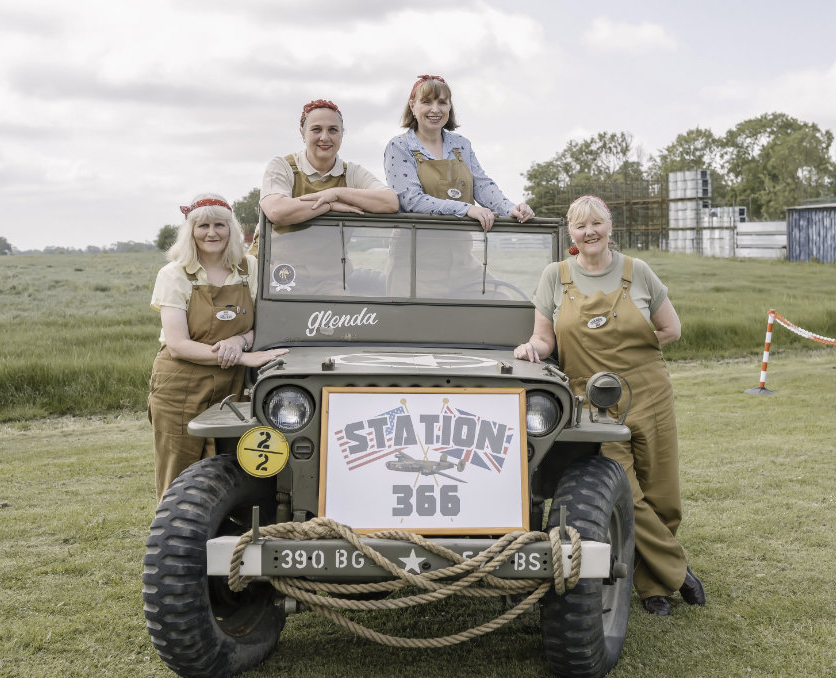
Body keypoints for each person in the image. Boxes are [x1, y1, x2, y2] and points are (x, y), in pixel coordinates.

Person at [513, 195, 705, 616]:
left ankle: (654, 587)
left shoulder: (639, 273)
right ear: (571, 233)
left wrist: (628, 352)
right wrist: (533, 348)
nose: (590, 232)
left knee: (662, 490)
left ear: (609, 227)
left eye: (596, 223)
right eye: (581, 226)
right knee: (626, 490)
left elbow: (670, 328)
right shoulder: (555, 276)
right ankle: (677, 571)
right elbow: (545, 338)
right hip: (591, 401)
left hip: (648, 390)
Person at [148, 193, 288, 500]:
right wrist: (243, 357)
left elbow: (263, 325)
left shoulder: (248, 268)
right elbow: (178, 345)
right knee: (179, 469)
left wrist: (238, 341)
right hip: (180, 384)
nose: (212, 233)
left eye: (220, 225)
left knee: (233, 465)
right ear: (191, 232)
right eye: (203, 226)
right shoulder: (174, 274)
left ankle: (227, 537)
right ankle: (176, 540)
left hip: (231, 383)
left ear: (232, 229)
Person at [383, 75, 534, 296]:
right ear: (412, 106)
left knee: (498, 299)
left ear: (450, 107)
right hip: (415, 265)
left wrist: (510, 208)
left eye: (442, 102)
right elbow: (412, 200)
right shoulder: (399, 146)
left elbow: (481, 184)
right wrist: (467, 209)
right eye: (427, 102)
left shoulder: (461, 144)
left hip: (461, 260)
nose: (435, 109)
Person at [251, 99, 398, 294]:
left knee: (342, 317)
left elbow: (390, 202)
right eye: (316, 129)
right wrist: (330, 205)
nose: (325, 137)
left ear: (342, 135)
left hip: (329, 278)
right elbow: (277, 211)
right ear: (302, 134)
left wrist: (338, 192)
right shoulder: (282, 166)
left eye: (333, 130)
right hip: (277, 273)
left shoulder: (351, 173)